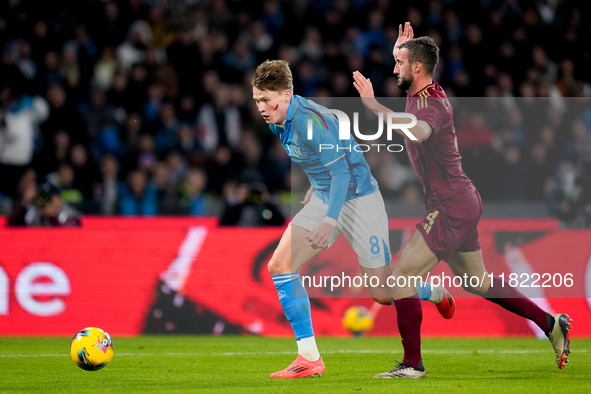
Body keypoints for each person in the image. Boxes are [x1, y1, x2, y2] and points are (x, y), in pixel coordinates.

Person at [352, 22, 571, 378]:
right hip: (461, 201)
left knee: (400, 278)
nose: (394, 69)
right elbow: (411, 83)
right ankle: (550, 323)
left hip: (450, 206)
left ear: (417, 69)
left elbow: (419, 130)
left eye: (399, 64)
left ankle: (412, 364)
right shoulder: (420, 88)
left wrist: (374, 106)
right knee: (477, 281)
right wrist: (401, 50)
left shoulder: (433, 106)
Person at [251, 59, 455, 379]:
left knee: (384, 294)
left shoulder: (308, 121)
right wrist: (313, 186)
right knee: (280, 265)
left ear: (287, 94)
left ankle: (434, 292)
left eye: (266, 99)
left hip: (359, 198)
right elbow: (323, 159)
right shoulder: (281, 118)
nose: (261, 107)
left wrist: (329, 221)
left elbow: (342, 171)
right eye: (257, 100)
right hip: (327, 193)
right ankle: (308, 358)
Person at [7, 182, 82, 227]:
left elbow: (69, 236)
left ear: (58, 199)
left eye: (49, 197)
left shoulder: (68, 214)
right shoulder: (33, 212)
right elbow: (10, 225)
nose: (45, 201)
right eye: (42, 197)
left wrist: (52, 216)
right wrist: (24, 204)